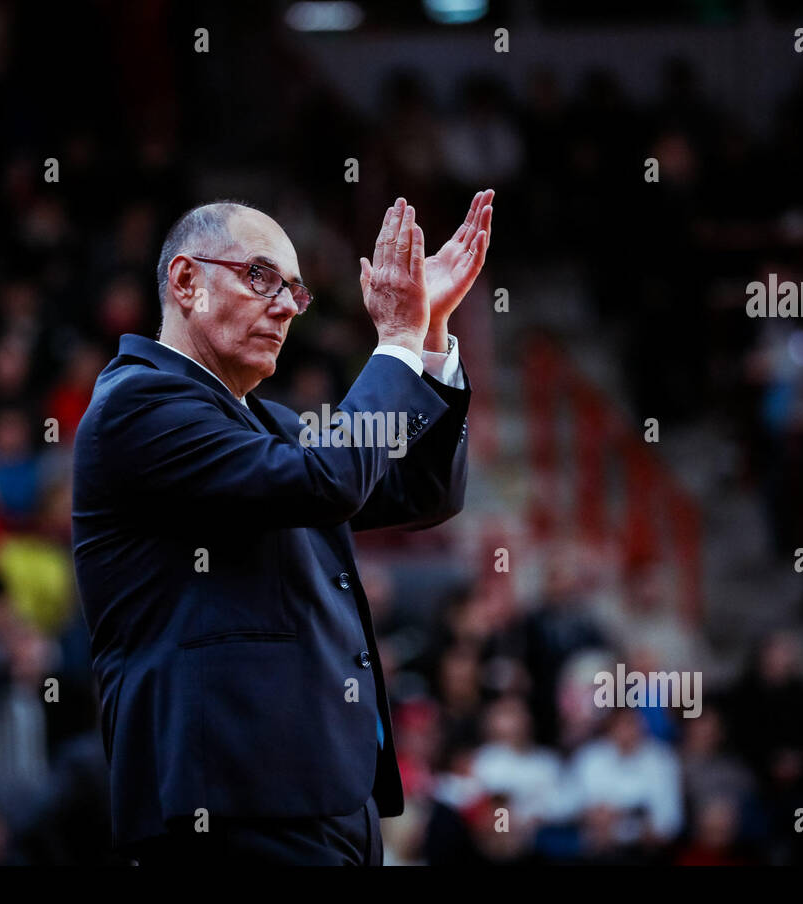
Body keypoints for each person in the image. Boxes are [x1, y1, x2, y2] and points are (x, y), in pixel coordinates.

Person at [72, 191, 494, 864]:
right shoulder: (137, 405)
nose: (285, 306)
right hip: (230, 800)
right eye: (260, 276)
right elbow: (329, 479)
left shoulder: (273, 425)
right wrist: (395, 343)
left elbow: (423, 492)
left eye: (295, 291)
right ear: (186, 281)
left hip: (328, 796)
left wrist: (433, 335)